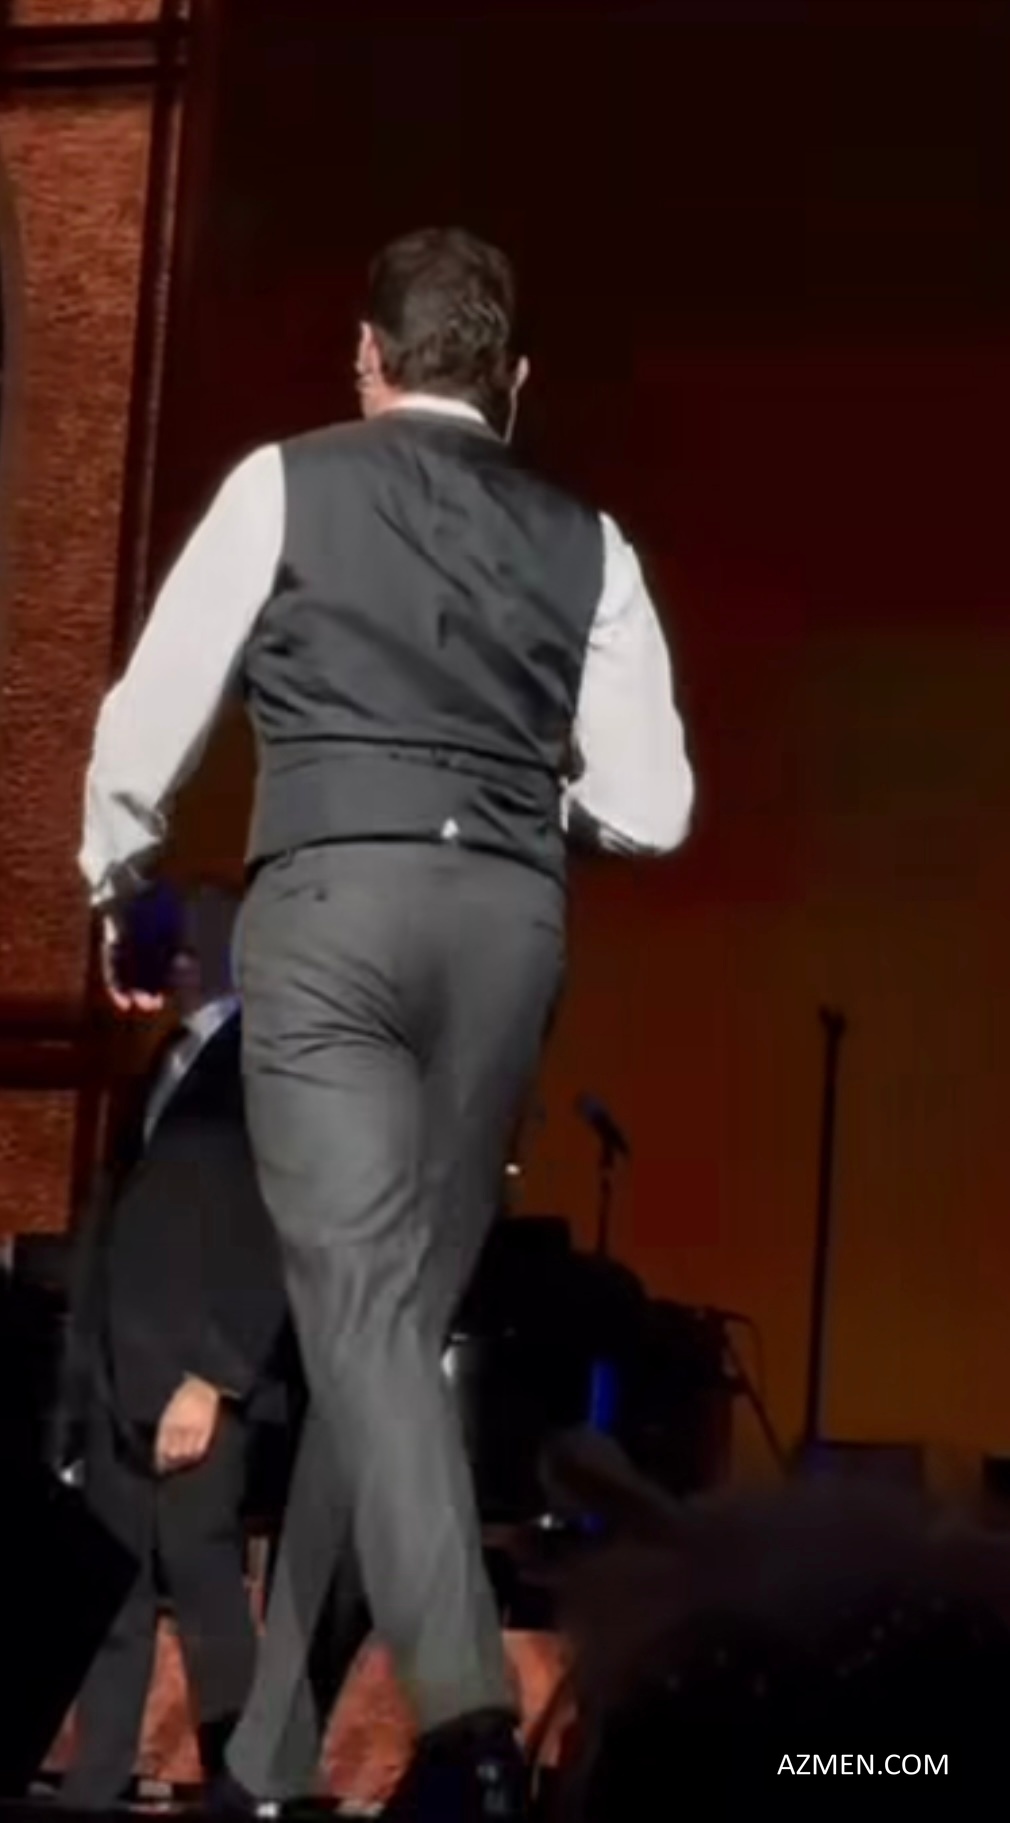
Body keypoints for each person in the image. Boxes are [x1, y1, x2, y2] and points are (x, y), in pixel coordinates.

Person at [79, 227, 694, 1821]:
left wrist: (121, 882)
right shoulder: (592, 541)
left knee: (361, 1313)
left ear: (365, 356)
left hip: (336, 908)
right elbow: (651, 806)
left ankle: (469, 1718)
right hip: (504, 927)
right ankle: (273, 1750)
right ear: (516, 381)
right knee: (389, 1341)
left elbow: (147, 718)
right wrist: (511, 791)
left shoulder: (283, 483)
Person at [57, 886, 288, 1808]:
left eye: (197, 943)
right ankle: (92, 1787)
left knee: (206, 1591)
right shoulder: (158, 1062)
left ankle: (242, 1787)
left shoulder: (267, 1061)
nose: (182, 959)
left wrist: (218, 1375)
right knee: (109, 1600)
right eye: (173, 945)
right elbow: (112, 1224)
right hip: (120, 1374)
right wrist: (82, 1385)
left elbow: (278, 1228)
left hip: (198, 1376)